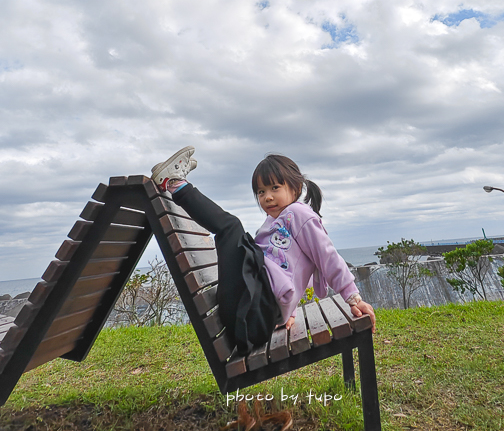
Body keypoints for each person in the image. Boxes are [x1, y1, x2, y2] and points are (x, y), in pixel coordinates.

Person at [150, 147, 377, 353]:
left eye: (275, 188)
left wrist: (353, 298)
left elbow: (327, 256)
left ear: (295, 188)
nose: (267, 197)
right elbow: (290, 271)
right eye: (260, 192)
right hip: (252, 312)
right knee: (236, 232)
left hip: (253, 314)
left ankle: (175, 184)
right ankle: (175, 184)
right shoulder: (276, 221)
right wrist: (288, 311)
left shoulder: (299, 215)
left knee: (231, 228)